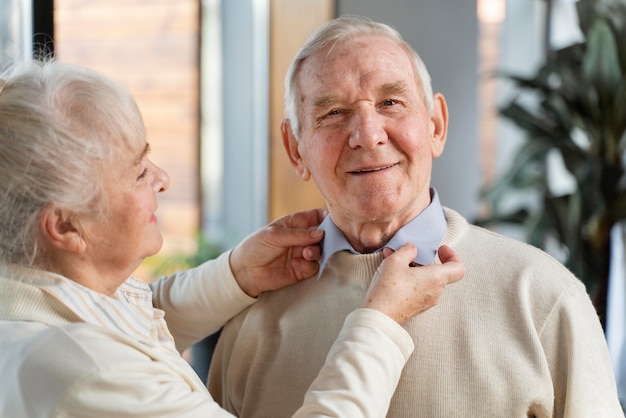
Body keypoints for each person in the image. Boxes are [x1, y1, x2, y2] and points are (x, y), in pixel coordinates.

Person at [207, 15, 624, 418]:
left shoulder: (542, 294)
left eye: (390, 102)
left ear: (436, 126)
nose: (368, 135)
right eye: (333, 112)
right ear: (296, 149)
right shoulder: (252, 318)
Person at [0, 59, 466, 417]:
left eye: (389, 103)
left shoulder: (38, 297)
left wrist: (237, 275)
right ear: (64, 228)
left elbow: (131, 313)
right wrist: (381, 321)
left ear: (436, 125)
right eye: (139, 172)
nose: (162, 179)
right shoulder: (87, 371)